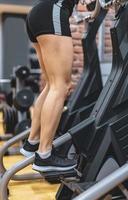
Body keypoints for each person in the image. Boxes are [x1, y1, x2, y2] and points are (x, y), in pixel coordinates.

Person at [20, 0, 79, 172]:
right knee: (61, 86)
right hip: (52, 10)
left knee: (51, 85)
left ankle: (32, 143)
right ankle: (44, 155)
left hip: (37, 14)